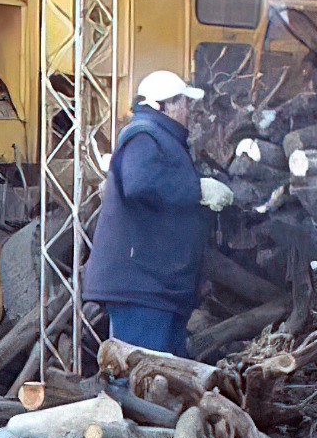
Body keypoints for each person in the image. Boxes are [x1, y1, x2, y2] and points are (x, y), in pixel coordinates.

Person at [84, 71, 231, 357]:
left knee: (162, 380)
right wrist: (196, 188)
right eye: (182, 103)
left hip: (157, 288)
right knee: (140, 377)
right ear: (163, 106)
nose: (188, 111)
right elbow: (140, 184)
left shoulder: (158, 137)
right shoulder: (144, 135)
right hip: (141, 288)